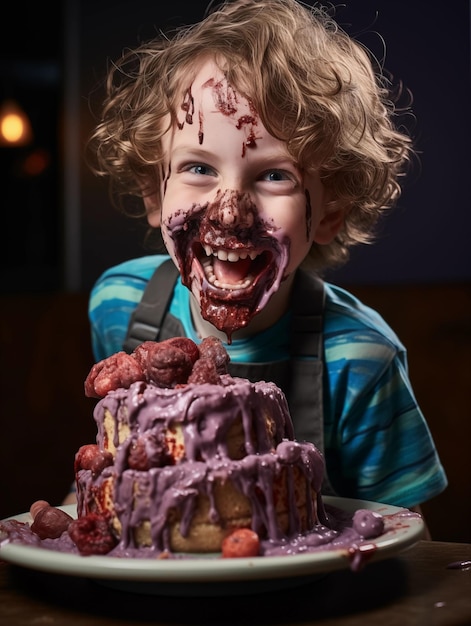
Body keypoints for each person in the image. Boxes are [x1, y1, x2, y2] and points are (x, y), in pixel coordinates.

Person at [76, 0, 447, 534]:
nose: (230, 211)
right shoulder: (120, 305)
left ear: (330, 213)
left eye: (274, 176)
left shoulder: (361, 358)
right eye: (198, 167)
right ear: (151, 192)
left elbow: (404, 532)